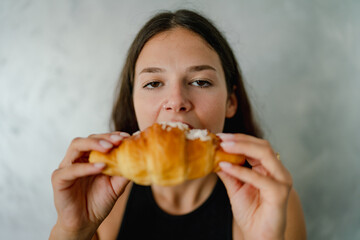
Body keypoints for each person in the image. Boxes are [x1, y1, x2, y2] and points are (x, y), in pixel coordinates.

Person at [50, 9, 306, 240]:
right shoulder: (103, 202)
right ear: (132, 103)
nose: (176, 101)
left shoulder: (269, 201)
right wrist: (71, 231)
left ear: (230, 102)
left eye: (200, 82)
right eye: (153, 83)